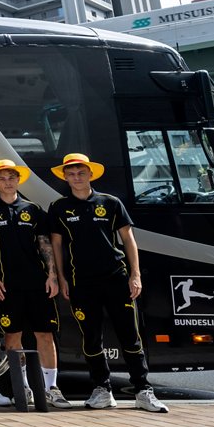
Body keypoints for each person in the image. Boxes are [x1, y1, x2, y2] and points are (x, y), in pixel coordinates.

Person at [47, 153, 168, 413]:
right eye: (71, 174)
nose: (76, 177)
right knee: (91, 338)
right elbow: (56, 245)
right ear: (65, 177)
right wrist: (61, 277)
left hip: (116, 278)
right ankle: (102, 390)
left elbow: (129, 240)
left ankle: (143, 390)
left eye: (81, 173)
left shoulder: (110, 203)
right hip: (81, 282)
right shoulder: (58, 207)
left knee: (130, 336)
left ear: (90, 174)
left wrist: (135, 275)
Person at [0, 159, 63, 408]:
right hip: (8, 285)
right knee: (13, 337)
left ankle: (51, 389)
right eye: (2, 178)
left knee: (44, 335)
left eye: (11, 177)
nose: (7, 182)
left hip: (37, 284)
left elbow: (45, 243)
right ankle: (23, 387)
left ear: (18, 180)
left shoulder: (33, 209)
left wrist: (52, 275)